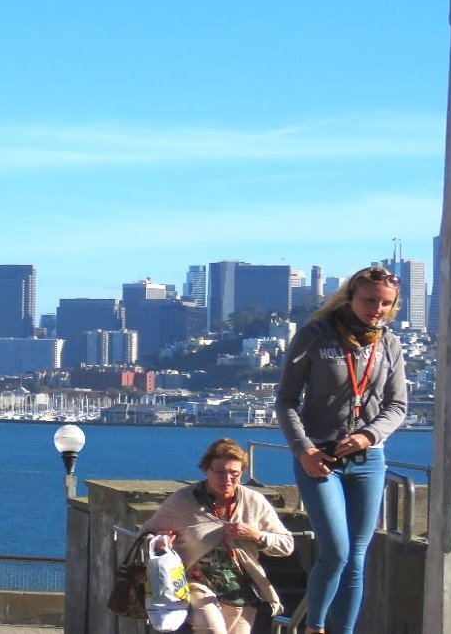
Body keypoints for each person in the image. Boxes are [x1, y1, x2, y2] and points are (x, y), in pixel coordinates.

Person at [274, 265, 407, 634]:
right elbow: (285, 401)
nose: (376, 309)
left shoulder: (389, 344)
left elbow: (398, 407)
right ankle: (315, 626)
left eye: (385, 304)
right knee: (335, 552)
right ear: (350, 297)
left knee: (358, 558)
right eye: (369, 300)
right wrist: (303, 449)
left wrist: (368, 435)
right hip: (319, 458)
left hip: (367, 459)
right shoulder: (315, 336)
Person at [141, 438, 294, 634]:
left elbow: (287, 544)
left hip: (241, 588)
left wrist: (257, 535)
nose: (227, 479)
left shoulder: (254, 501)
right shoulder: (183, 501)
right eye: (220, 472)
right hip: (195, 582)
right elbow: (146, 533)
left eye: (234, 473)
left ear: (242, 473)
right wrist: (159, 542)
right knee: (212, 629)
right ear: (206, 470)